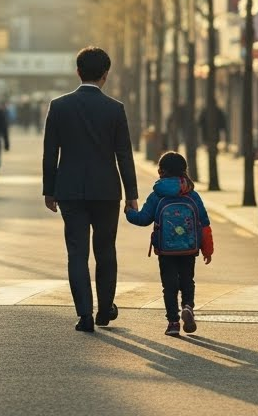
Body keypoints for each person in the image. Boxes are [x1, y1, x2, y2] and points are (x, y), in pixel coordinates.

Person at [42, 46, 139, 333]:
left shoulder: (59, 106)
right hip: (107, 190)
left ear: (78, 72)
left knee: (76, 252)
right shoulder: (115, 109)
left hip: (69, 190)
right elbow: (124, 154)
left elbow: (50, 153)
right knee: (105, 249)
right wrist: (131, 194)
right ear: (105, 75)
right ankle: (105, 310)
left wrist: (49, 190)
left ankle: (84, 314)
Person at [125, 151, 214, 337]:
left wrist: (129, 212)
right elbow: (204, 222)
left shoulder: (157, 194)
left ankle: (173, 322)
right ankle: (188, 306)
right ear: (184, 171)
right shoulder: (191, 193)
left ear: (161, 171)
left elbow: (143, 219)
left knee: (169, 285)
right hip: (189, 248)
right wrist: (208, 249)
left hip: (166, 250)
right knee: (187, 280)